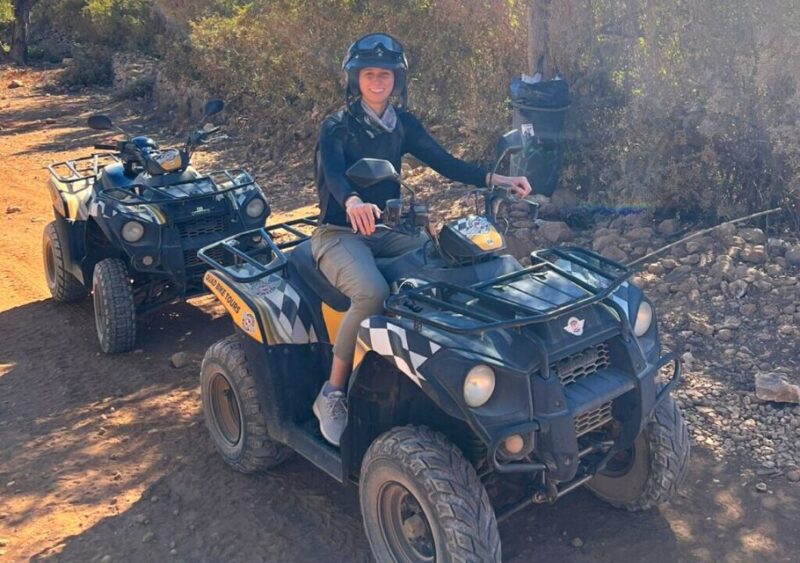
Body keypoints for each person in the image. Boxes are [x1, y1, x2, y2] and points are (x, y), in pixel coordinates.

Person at [312, 32, 532, 446]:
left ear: (397, 80)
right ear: (355, 78)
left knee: (447, 266)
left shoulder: (402, 125)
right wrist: (354, 201)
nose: (378, 82)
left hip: (388, 232)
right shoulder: (337, 126)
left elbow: (444, 161)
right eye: (369, 74)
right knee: (372, 292)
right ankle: (334, 392)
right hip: (339, 233)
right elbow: (335, 176)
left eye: (386, 74)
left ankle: (473, 363)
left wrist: (497, 178)